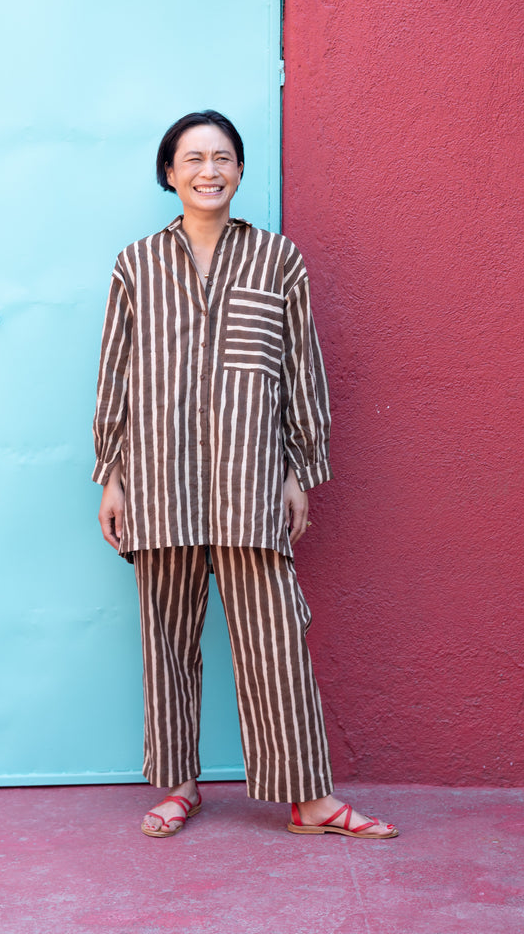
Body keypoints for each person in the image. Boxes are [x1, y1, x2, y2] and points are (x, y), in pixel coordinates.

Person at [93, 110, 398, 840]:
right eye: (192, 158)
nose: (208, 170)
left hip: (250, 481)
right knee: (165, 639)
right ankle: (178, 786)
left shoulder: (275, 259)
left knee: (274, 639)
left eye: (221, 157)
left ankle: (309, 799)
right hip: (158, 479)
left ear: (238, 170)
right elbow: (115, 373)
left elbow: (302, 369)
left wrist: (298, 470)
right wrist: (111, 472)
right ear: (169, 173)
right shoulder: (135, 263)